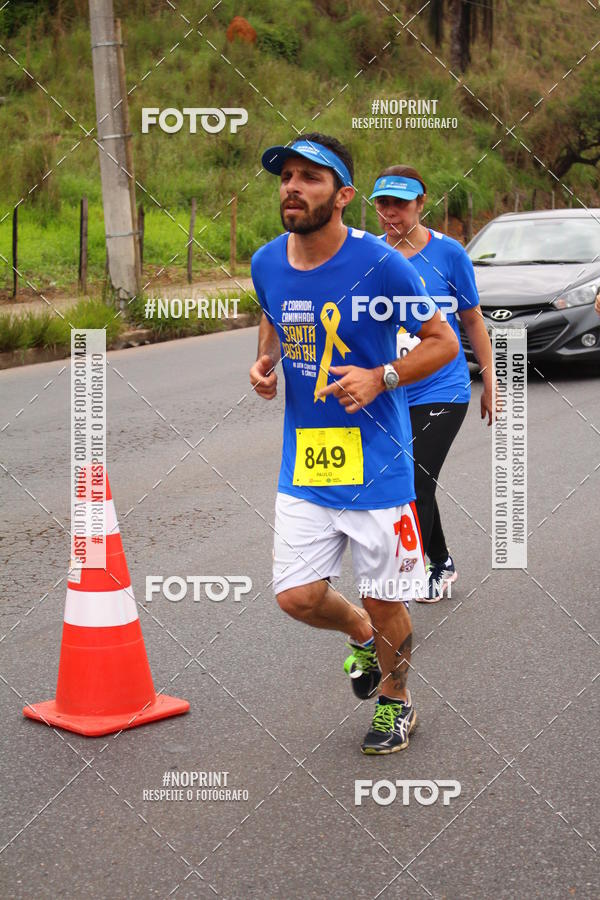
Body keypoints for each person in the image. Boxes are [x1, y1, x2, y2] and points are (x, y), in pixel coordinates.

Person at [249, 134, 458, 754]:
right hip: (307, 461)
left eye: (310, 178)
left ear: (342, 196)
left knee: (386, 594)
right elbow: (274, 310)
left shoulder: (381, 264)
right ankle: (362, 635)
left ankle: (396, 700)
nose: (292, 186)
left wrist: (383, 376)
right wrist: (264, 361)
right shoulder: (266, 261)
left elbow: (442, 342)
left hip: (380, 466)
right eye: (286, 175)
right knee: (297, 596)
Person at [370, 165, 494, 602]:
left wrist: (490, 381)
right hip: (390, 388)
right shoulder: (369, 255)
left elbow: (472, 319)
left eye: (400, 204)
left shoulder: (449, 253)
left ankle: (434, 564)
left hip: (443, 388)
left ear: (421, 205)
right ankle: (425, 557)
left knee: (417, 477)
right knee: (396, 478)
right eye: (383, 204)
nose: (390, 213)